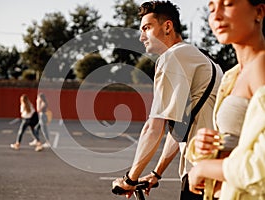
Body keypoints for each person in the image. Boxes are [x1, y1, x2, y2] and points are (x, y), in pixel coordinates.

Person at [112, 1, 223, 199]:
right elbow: (181, 127)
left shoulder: (172, 57)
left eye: (147, 27)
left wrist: (129, 179)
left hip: (201, 172)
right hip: (219, 171)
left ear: (167, 27)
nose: (141, 36)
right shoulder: (201, 58)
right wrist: (156, 173)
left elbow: (153, 128)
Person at [186, 0, 265, 199]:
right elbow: (238, 142)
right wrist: (205, 146)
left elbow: (262, 167)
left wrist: (204, 168)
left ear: (259, 11)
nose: (216, 15)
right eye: (212, 8)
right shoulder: (232, 75)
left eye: (228, 4)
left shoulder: (261, 66)